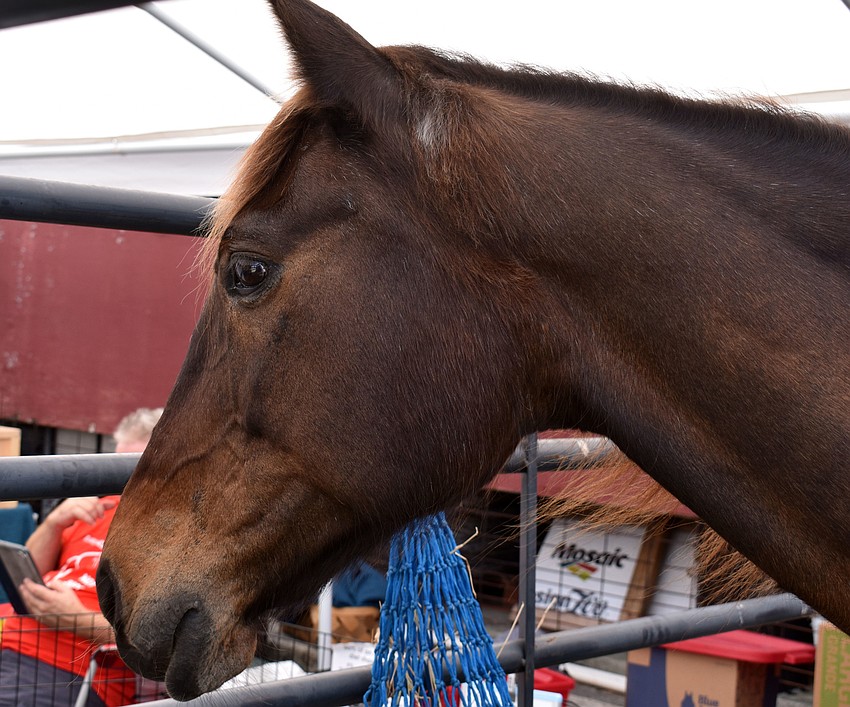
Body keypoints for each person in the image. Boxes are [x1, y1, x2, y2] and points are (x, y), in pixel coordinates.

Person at [0, 408, 163, 707]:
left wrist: (75, 619)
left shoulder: (167, 532)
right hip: (12, 639)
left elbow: (155, 642)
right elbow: (25, 575)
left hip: (68, 670)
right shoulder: (94, 509)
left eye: (128, 473)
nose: (118, 486)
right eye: (114, 471)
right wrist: (53, 523)